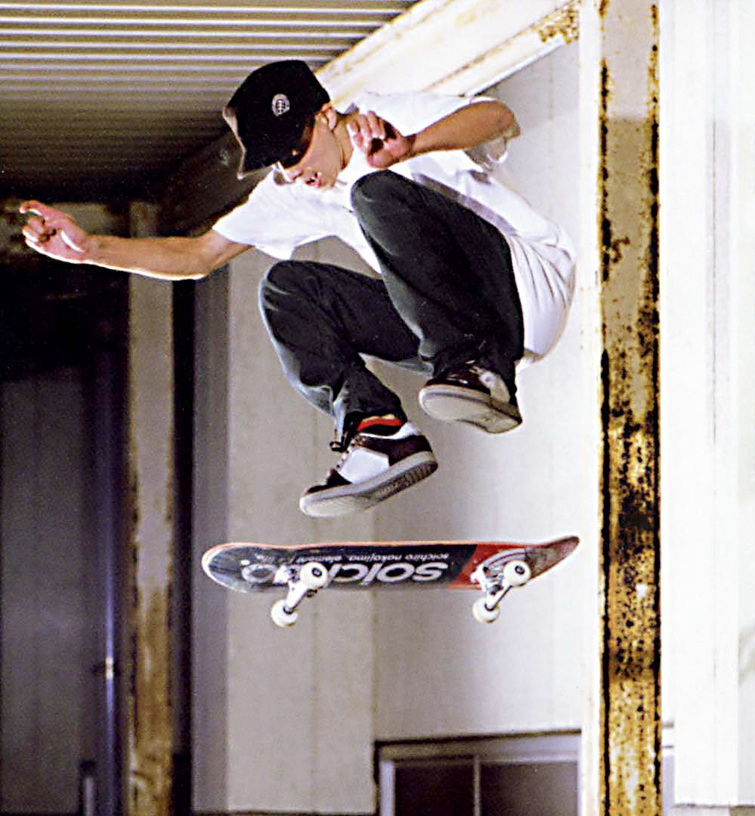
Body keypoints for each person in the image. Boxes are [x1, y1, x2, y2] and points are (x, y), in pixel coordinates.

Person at [21, 60, 575, 517]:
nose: (293, 172)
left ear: (328, 116)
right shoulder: (294, 191)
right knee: (288, 289)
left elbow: (497, 117)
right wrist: (90, 248)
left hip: (525, 287)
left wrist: (411, 146)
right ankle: (381, 433)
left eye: (295, 152)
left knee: (374, 193)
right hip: (454, 334)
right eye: (277, 164)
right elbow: (197, 256)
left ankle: (477, 366)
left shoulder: (384, 118)